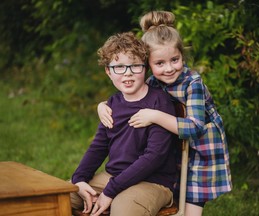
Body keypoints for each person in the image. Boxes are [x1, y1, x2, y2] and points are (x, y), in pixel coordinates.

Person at [97, 11, 232, 216]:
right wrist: (102, 105)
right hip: (172, 150)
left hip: (201, 152)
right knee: (172, 197)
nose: (169, 68)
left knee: (190, 210)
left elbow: (195, 128)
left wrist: (155, 116)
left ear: (182, 55)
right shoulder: (152, 82)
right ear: (147, 64)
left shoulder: (192, 83)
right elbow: (128, 99)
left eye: (175, 60)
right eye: (159, 63)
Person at [70, 31, 177, 216]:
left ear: (145, 68)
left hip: (152, 182)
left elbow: (154, 156)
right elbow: (98, 147)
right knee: (61, 196)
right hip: (113, 177)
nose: (127, 73)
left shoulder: (159, 102)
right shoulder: (113, 104)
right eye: (119, 67)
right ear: (108, 71)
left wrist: (111, 191)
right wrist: (79, 180)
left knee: (124, 210)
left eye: (135, 66)